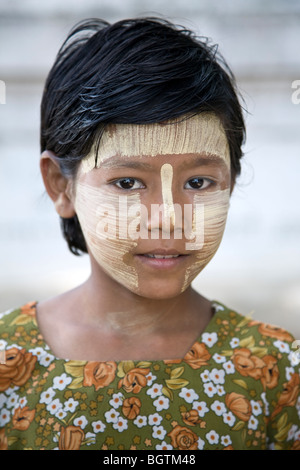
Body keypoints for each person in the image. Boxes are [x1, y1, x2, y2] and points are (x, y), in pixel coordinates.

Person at [0, 17, 299, 451]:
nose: (167, 218)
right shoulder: (8, 363)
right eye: (127, 183)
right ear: (61, 186)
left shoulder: (276, 370)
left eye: (198, 183)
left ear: (231, 183)